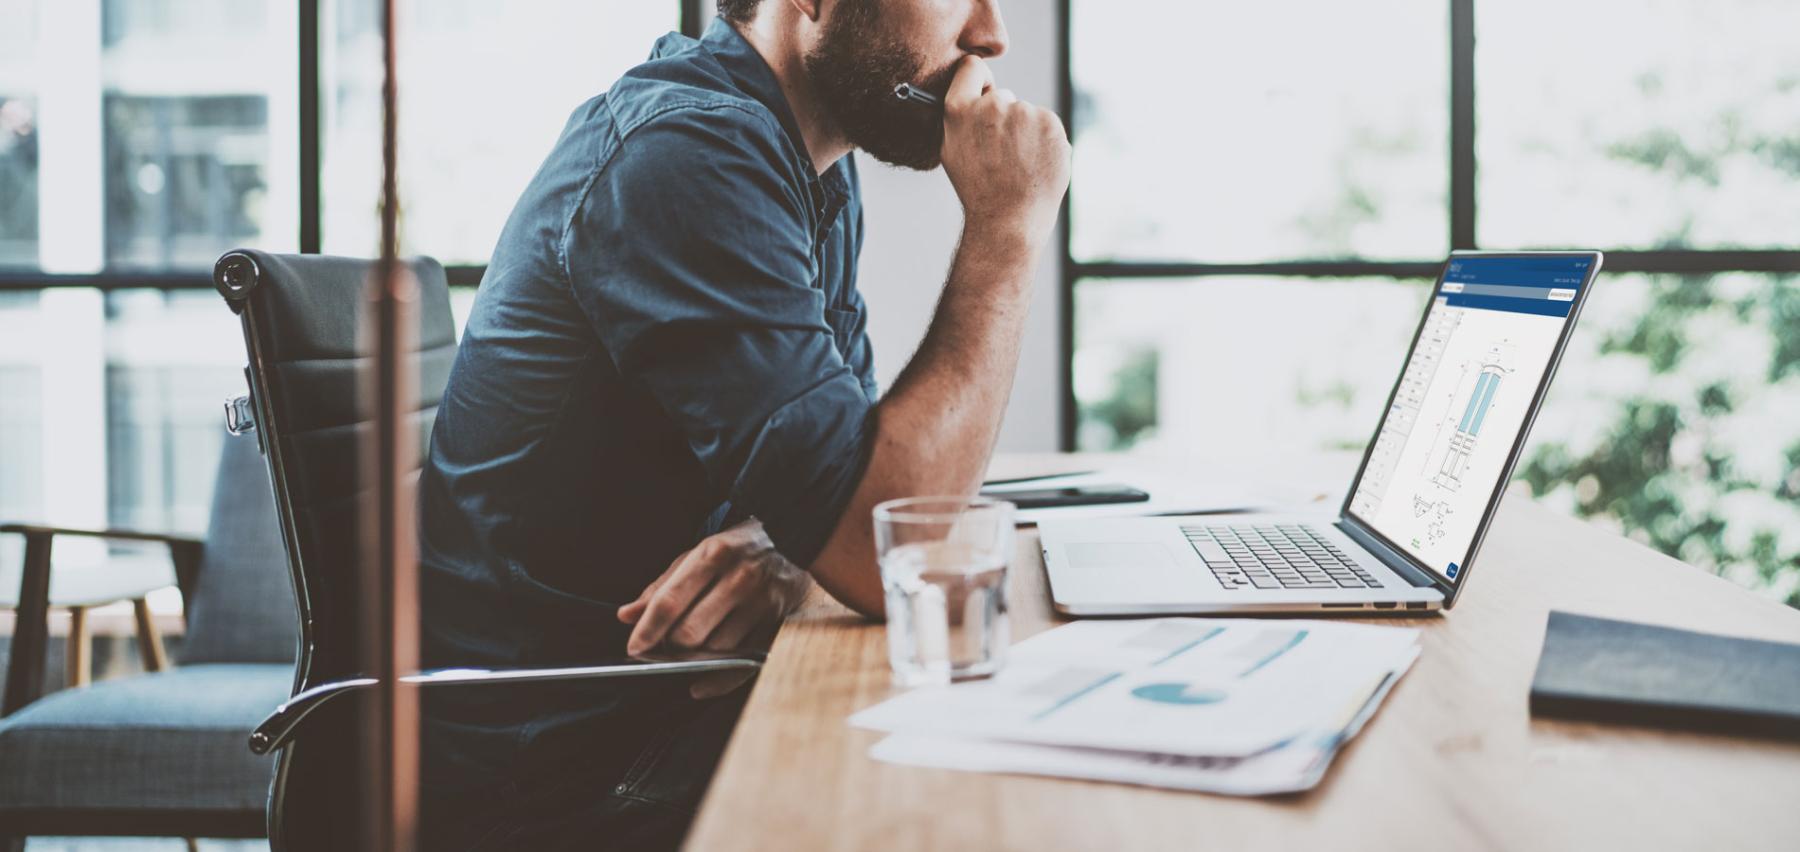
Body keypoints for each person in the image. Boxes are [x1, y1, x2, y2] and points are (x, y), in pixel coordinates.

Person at [417, 0, 1068, 847]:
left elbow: (851, 473)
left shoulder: (807, 167)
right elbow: (892, 549)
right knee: (982, 813)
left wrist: (784, 545)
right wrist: (1008, 230)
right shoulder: (687, 155)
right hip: (558, 777)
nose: (992, 35)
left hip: (661, 712)